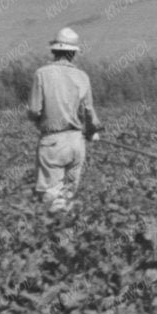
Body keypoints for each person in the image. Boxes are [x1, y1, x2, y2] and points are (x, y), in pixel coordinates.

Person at [25, 28, 101, 219]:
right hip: (77, 142)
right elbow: (90, 114)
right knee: (68, 196)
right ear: (74, 52)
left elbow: (34, 110)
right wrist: (91, 132)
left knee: (51, 198)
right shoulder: (82, 76)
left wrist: (39, 122)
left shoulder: (41, 74)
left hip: (53, 142)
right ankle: (69, 234)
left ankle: (54, 238)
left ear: (54, 50)